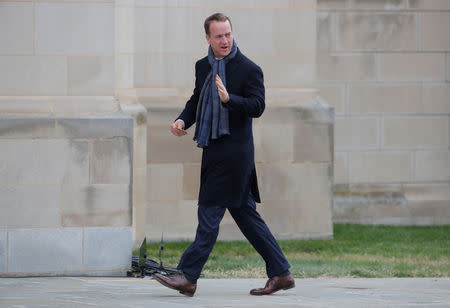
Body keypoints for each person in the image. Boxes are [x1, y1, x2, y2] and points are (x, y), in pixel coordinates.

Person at [152, 13, 294, 297]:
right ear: (208, 38)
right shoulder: (203, 66)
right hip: (213, 149)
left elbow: (257, 106)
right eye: (218, 36)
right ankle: (280, 272)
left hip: (236, 154)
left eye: (228, 34)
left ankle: (188, 275)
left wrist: (230, 99)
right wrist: (182, 121)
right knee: (244, 214)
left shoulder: (248, 69)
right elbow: (196, 100)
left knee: (209, 210)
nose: (225, 40)